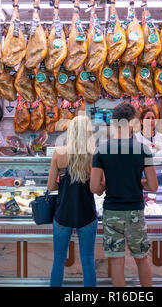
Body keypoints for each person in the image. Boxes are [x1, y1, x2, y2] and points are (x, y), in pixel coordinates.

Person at [90, 103, 158, 287]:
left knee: (116, 261)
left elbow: (94, 186)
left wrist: (104, 186)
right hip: (135, 211)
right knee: (142, 258)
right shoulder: (143, 149)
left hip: (112, 212)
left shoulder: (102, 150)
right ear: (132, 123)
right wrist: (139, 183)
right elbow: (153, 186)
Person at [47, 115, 99, 287]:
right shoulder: (93, 155)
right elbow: (97, 188)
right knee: (88, 260)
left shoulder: (59, 153)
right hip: (87, 214)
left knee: (59, 259)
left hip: (63, 213)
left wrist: (62, 183)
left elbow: (50, 187)